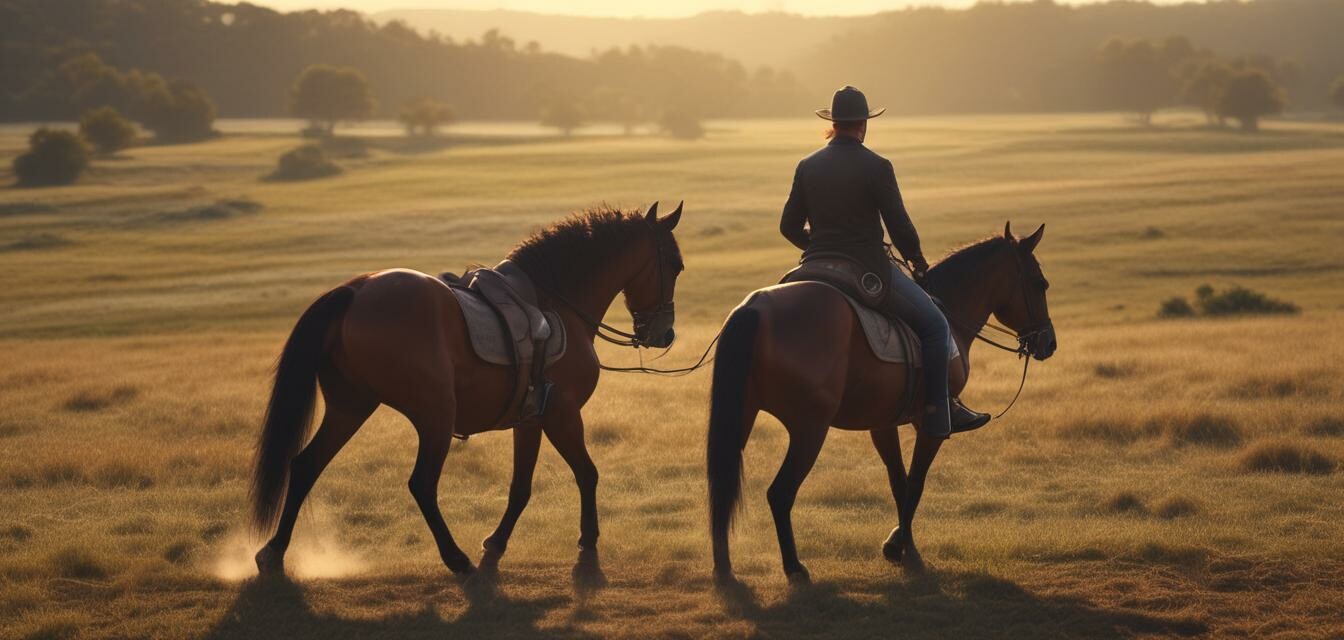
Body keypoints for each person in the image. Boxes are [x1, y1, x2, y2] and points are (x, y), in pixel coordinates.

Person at [779, 85, 989, 437]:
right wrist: (917, 260)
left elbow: (788, 227)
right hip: (867, 270)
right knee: (936, 325)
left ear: (834, 123)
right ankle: (940, 413)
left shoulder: (808, 165)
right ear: (863, 123)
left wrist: (819, 247)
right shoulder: (877, 166)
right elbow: (900, 227)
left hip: (813, 265)